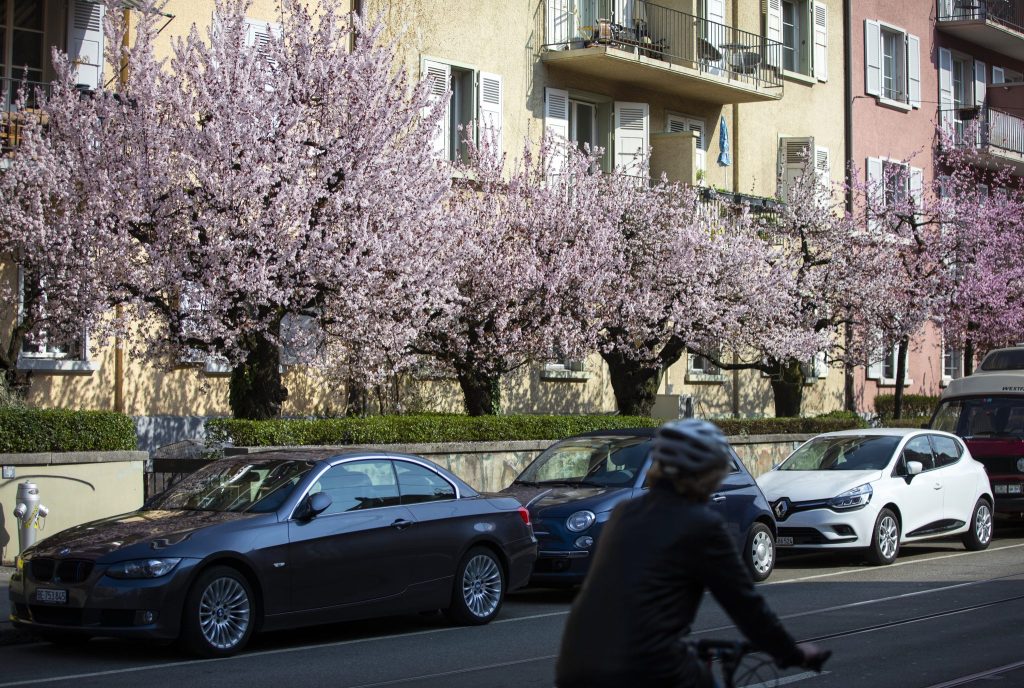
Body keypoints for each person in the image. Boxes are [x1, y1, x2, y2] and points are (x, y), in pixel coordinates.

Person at [555, 419, 828, 688]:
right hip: (646, 667)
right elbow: (746, 606)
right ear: (706, 473)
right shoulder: (701, 524)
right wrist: (790, 652)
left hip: (576, 663)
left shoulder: (624, 514)